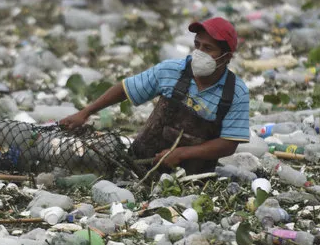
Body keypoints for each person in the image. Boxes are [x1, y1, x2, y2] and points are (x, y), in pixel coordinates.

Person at [60, 17, 250, 174]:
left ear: (225, 57)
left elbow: (229, 143)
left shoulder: (236, 93)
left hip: (189, 179)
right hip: (138, 165)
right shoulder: (172, 71)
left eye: (208, 48)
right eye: (197, 45)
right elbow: (126, 89)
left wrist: (183, 153)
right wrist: (85, 112)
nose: (199, 53)